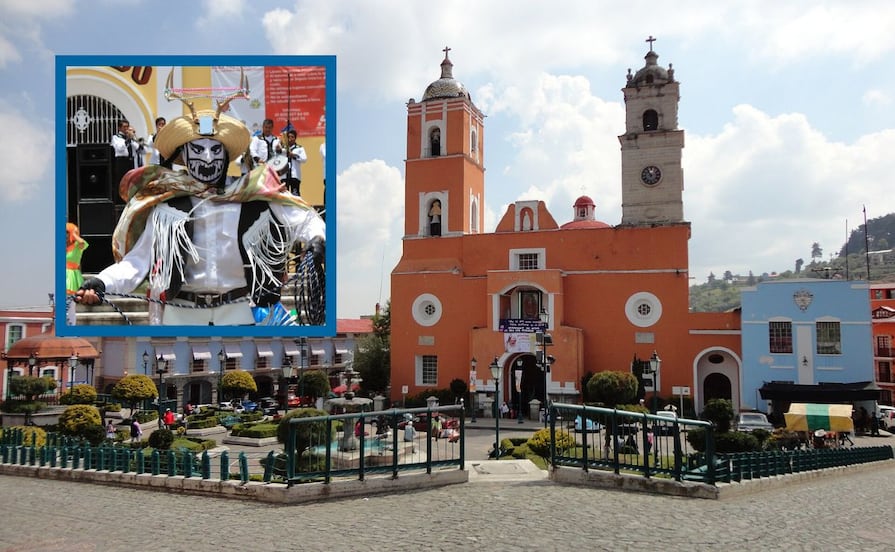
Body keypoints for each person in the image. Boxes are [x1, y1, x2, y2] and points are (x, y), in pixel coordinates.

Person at [75, 107, 326, 326]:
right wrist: (102, 282)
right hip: (180, 315)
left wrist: (317, 238)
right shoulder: (166, 207)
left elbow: (305, 218)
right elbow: (137, 263)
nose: (207, 158)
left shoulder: (252, 194)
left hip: (238, 312)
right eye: (197, 150)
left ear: (226, 154)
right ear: (183, 155)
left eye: (215, 150)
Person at [65, 223, 88, 325]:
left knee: (70, 305)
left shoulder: (77, 246)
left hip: (71, 276)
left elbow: (82, 242)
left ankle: (70, 326)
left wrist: (73, 234)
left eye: (67, 232)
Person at [283, 129, 307, 196]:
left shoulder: (300, 148)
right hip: (284, 176)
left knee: (295, 195)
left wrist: (294, 156)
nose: (290, 139)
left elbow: (304, 159)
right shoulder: (283, 148)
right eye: (289, 137)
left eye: (292, 137)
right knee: (285, 196)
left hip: (295, 175)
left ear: (295, 138)